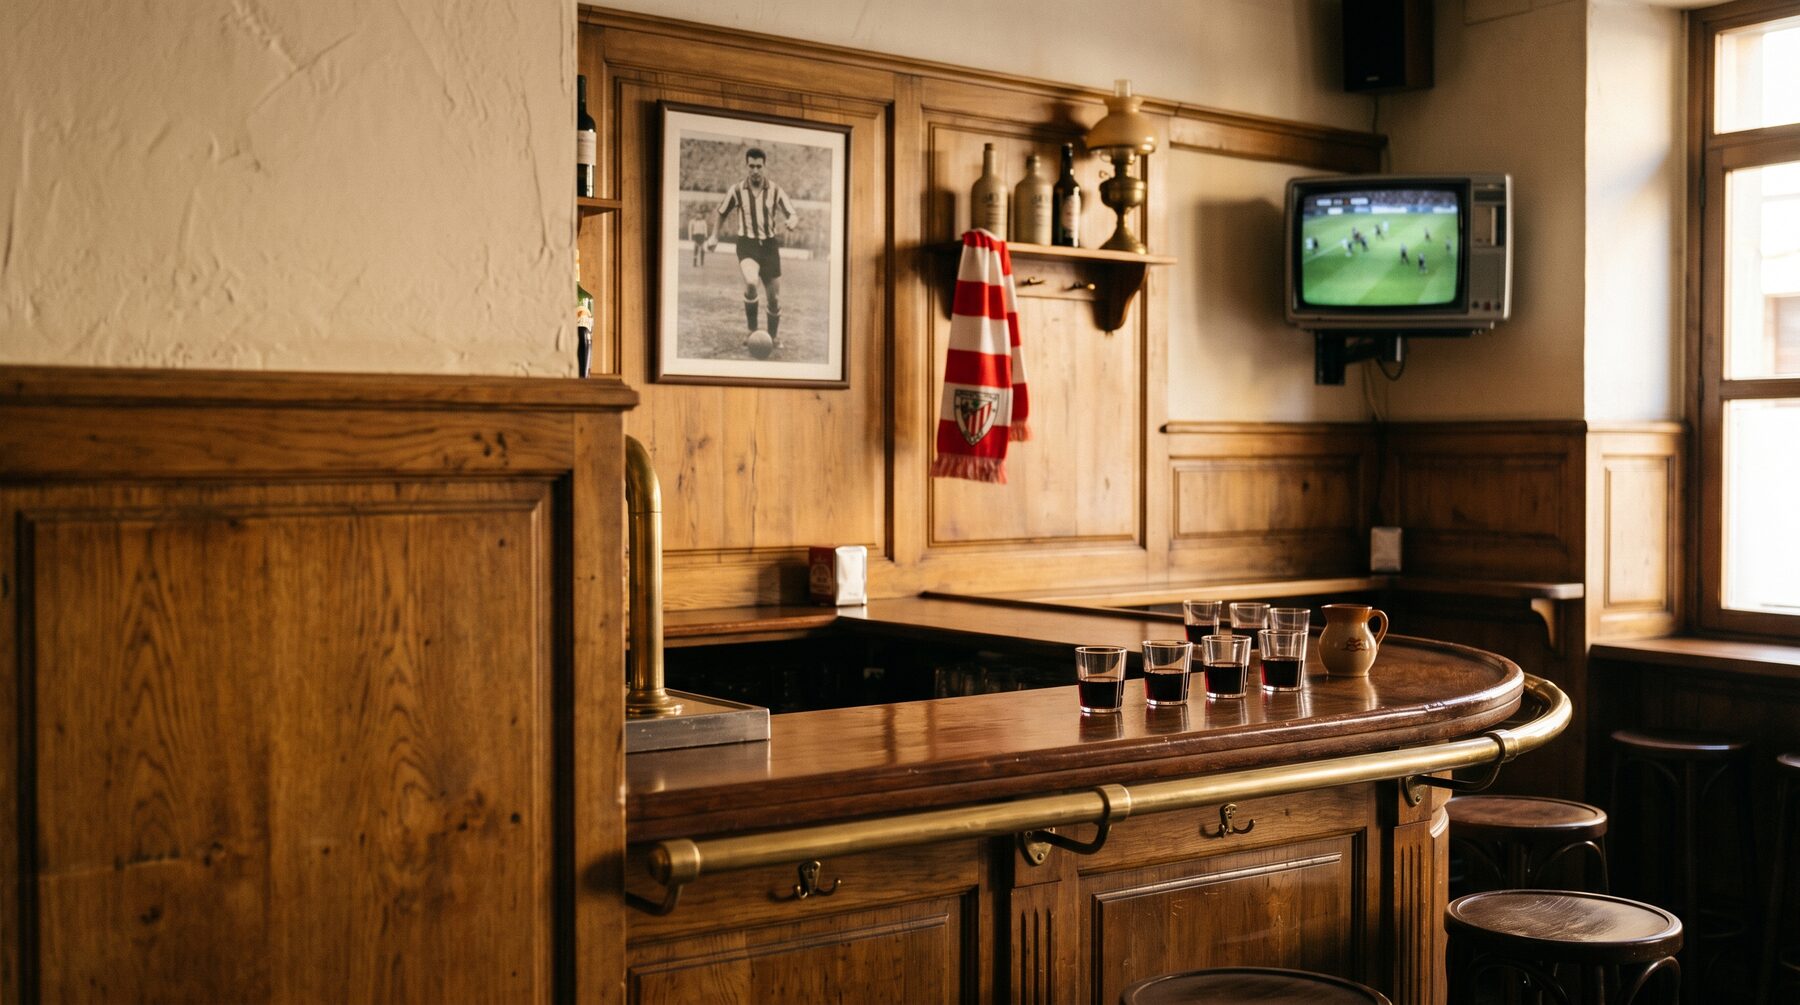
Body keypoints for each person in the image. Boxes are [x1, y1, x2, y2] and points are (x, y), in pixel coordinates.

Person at [708, 147, 798, 349]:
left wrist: (792, 221)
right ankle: (752, 330)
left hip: (769, 247)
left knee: (774, 299)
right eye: (751, 166)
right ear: (746, 166)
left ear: (764, 166)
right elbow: (722, 212)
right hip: (747, 244)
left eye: (759, 166)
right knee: (750, 282)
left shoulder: (775, 190)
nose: (755, 170)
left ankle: (773, 336)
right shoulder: (737, 190)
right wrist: (714, 236)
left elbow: (792, 213)